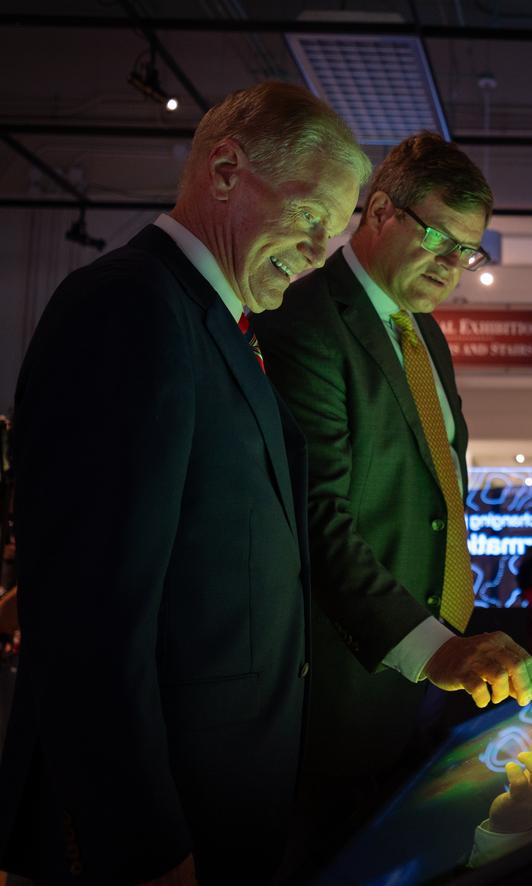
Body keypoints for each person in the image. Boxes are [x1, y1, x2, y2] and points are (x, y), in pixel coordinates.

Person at [0, 82, 368, 884]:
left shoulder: (219, 325)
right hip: (150, 834)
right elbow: (87, 622)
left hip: (224, 807)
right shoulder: (130, 307)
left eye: (332, 231)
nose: (318, 251)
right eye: (311, 214)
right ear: (227, 171)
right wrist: (146, 849)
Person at [255, 132, 532, 864]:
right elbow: (316, 519)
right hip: (344, 697)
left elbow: (430, 508)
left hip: (424, 689)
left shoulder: (424, 333)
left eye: (469, 252)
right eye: (439, 240)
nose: (455, 267)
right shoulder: (307, 320)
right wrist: (436, 651)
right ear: (380, 211)